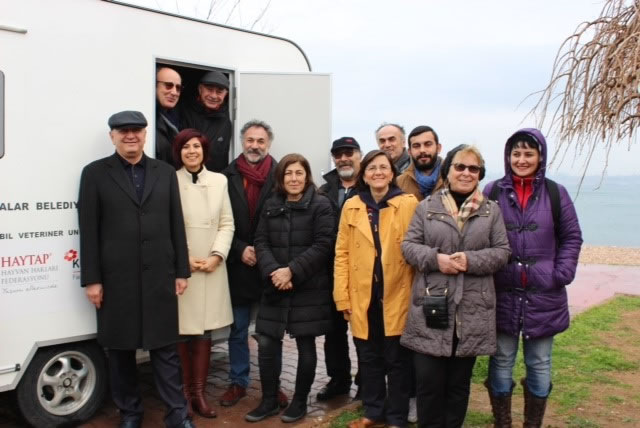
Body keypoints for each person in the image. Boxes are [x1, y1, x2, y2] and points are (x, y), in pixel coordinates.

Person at [78, 111, 195, 428]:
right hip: (117, 281)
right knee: (120, 353)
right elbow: (88, 230)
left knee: (166, 352)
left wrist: (181, 271)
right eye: (123, 131)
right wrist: (92, 280)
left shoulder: (165, 172)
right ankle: (130, 413)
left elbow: (176, 225)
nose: (130, 136)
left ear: (145, 135)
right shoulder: (94, 174)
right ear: (112, 136)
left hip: (160, 276)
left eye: (136, 130)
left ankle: (177, 414)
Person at [400, 144, 511, 428]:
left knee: (458, 386)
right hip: (432, 307)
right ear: (447, 171)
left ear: (480, 174)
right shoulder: (426, 207)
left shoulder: (491, 211)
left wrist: (469, 261)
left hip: (472, 310)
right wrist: (436, 260)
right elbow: (409, 247)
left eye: (473, 168)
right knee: (428, 384)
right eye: (459, 166)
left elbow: (502, 252)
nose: (466, 173)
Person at [483, 129, 582, 428]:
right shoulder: (493, 192)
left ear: (540, 156)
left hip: (544, 295)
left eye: (528, 153)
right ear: (507, 156)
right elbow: (478, 234)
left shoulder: (556, 193)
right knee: (501, 362)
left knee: (539, 364)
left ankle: (532, 424)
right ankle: (502, 423)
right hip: (502, 293)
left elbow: (571, 236)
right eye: (516, 154)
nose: (522, 159)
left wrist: (561, 273)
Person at [246, 153, 335, 423]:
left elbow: (323, 245)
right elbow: (260, 241)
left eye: (299, 173)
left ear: (306, 176)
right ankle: (270, 401)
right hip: (275, 285)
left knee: (307, 346)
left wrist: (291, 271)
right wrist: (274, 272)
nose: (294, 178)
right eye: (288, 174)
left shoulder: (321, 205)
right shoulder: (272, 204)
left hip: (308, 287)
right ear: (281, 178)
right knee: (266, 344)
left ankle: (299, 402)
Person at [334, 150, 418, 428]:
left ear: (392, 173)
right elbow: (342, 253)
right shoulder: (353, 205)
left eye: (384, 167)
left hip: (397, 294)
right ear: (364, 174)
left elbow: (417, 250)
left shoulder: (407, 203)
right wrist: (342, 295)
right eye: (372, 168)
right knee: (368, 358)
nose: (378, 172)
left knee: (397, 361)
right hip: (363, 296)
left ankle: (396, 417)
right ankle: (372, 412)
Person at [220, 120, 288, 408]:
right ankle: (238, 382)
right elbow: (218, 221)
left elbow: (289, 221)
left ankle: (273, 385)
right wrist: (238, 249)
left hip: (270, 266)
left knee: (270, 332)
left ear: (269, 144)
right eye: (250, 140)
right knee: (237, 330)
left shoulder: (282, 176)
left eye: (261, 141)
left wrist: (267, 254)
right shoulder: (226, 176)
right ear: (242, 142)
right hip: (238, 266)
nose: (255, 146)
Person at [172, 129, 235, 419]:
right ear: (179, 152)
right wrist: (183, 257)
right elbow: (167, 224)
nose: (191, 151)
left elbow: (227, 223)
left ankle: (199, 394)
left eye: (196, 146)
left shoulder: (220, 181)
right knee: (183, 332)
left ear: (204, 150)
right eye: (186, 147)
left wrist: (216, 255)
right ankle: (184, 395)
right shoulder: (170, 180)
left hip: (211, 267)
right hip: (182, 268)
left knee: (205, 332)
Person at [316, 136, 362, 401]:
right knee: (333, 333)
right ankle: (339, 380)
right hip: (331, 274)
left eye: (349, 152)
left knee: (363, 332)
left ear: (359, 155)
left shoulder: (369, 187)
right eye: (338, 154)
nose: (343, 158)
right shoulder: (323, 190)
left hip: (362, 272)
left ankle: (366, 381)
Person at [182, 70, 232, 172]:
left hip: (215, 179)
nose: (213, 96)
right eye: (209, 89)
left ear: (226, 94)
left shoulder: (229, 117)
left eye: (219, 92)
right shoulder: (184, 111)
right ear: (200, 89)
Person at [397, 125, 444, 201]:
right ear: (409, 152)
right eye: (416, 146)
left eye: (428, 144)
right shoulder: (399, 183)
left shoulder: (452, 178)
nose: (422, 150)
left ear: (438, 148)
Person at [156, 66, 182, 165]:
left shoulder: (181, 119)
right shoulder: (148, 118)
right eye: (168, 85)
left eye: (178, 88)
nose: (174, 92)